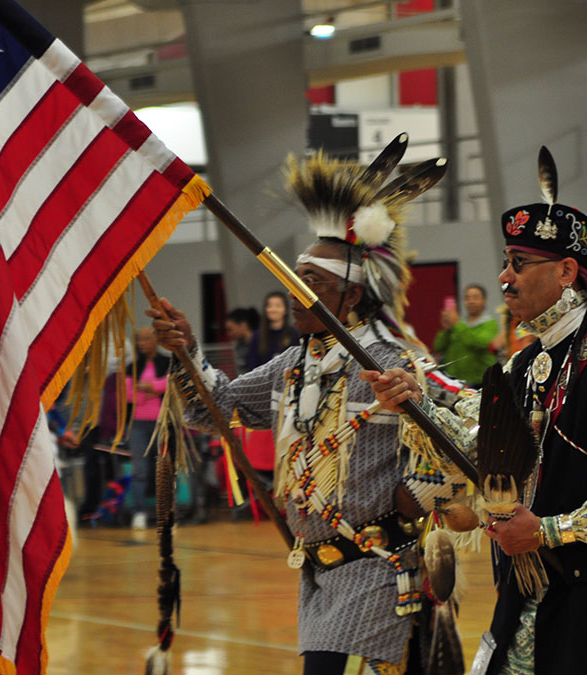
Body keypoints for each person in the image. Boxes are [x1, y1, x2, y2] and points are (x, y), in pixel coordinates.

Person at [363, 147, 587, 674]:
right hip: (532, 599)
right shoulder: (527, 362)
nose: (504, 278)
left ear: (567, 271)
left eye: (518, 264)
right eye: (505, 263)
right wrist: (417, 404)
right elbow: (483, 445)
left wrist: (547, 530)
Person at [148, 135, 465, 674]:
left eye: (309, 283)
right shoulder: (291, 367)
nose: (295, 294)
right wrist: (186, 349)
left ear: (351, 296)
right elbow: (213, 409)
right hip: (316, 577)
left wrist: (410, 499)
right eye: (292, 282)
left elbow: (465, 440)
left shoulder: (392, 364)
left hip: (378, 573)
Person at [125, 326, 170, 530]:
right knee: (140, 470)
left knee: (164, 467)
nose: (142, 343)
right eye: (139, 339)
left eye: (146, 339)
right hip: (138, 425)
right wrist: (155, 388)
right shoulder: (131, 367)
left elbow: (171, 385)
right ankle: (139, 512)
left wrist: (146, 387)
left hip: (162, 423)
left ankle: (167, 511)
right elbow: (128, 395)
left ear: (156, 340)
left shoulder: (167, 362)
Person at [432, 284, 499, 386]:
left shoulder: (490, 324)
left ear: (484, 301)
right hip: (455, 381)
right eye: (467, 298)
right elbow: (438, 347)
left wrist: (456, 324)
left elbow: (480, 343)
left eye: (475, 297)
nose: (471, 301)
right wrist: (446, 330)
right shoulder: (459, 323)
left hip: (479, 382)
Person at [246, 291, 301, 371]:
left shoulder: (295, 334)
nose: (273, 309)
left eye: (277, 306)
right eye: (269, 306)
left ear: (285, 310)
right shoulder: (257, 336)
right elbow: (252, 367)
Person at [224, 306, 259, 375]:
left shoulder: (260, 344)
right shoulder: (239, 346)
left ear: (243, 325)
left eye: (230, 329)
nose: (228, 334)